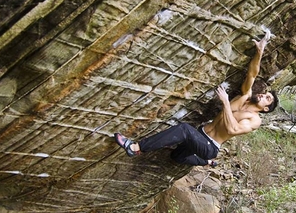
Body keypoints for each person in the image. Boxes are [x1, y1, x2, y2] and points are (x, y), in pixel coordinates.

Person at [114, 31, 278, 167]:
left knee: (184, 130)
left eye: (267, 99)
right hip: (202, 133)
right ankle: (206, 163)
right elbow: (252, 73)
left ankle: (136, 147)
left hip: (210, 145)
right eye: (266, 94)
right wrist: (260, 52)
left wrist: (226, 102)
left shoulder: (254, 120)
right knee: (177, 157)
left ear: (265, 109)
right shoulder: (245, 97)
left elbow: (233, 129)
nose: (264, 95)